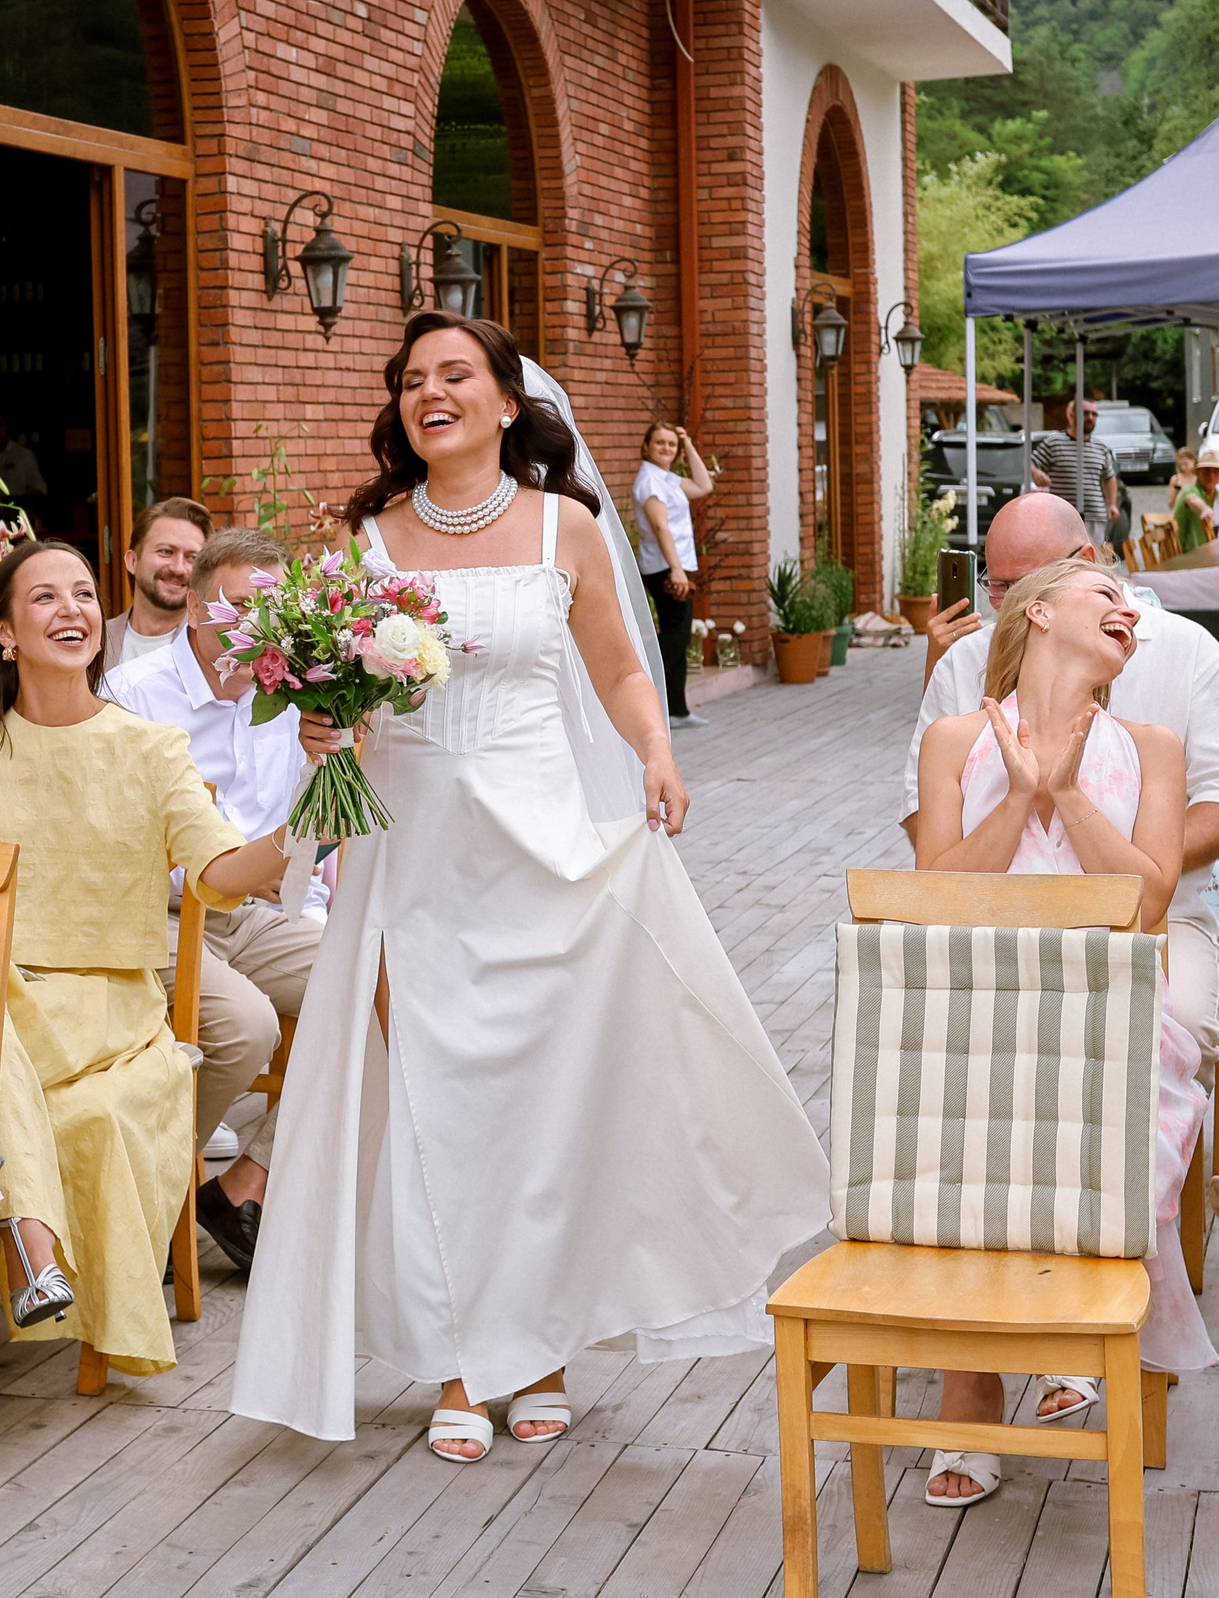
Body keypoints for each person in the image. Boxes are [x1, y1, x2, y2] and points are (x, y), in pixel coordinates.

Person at [231, 312, 826, 1463]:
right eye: (411, 380)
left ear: (508, 401)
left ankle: (542, 1349)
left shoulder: (567, 525)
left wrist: (655, 750)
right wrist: (321, 718)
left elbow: (613, 661)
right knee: (435, 1106)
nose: (429, 392)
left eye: (455, 375)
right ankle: (465, 1358)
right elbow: (338, 691)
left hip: (547, 845)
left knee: (545, 1107)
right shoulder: (370, 539)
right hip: (413, 852)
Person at [0, 537, 291, 1441]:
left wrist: (313, 818)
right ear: (3, 631)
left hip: (107, 1003)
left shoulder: (151, 746)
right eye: (44, 598)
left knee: (14, 1075)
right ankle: (25, 1249)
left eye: (81, 595)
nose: (69, 611)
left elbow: (220, 869)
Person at [911, 558, 1216, 1506]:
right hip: (980, 997)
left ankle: (1050, 1335)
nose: (1131, 612)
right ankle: (996, 1369)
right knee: (974, 1102)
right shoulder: (955, 737)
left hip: (1109, 1000)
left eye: (1133, 607)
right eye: (1105, 597)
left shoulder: (1154, 746)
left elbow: (1149, 902)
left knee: (1111, 1086)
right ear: (1038, 613)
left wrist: (1070, 791)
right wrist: (1016, 794)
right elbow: (938, 902)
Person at [906, 492, 1219, 1078]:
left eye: (1026, 582)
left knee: (1170, 1024)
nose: (1006, 603)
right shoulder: (958, 684)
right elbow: (935, 870)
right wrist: (1019, 800)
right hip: (988, 937)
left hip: (1132, 938)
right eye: (997, 585)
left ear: (1091, 560)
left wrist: (1094, 825)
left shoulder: (1179, 666)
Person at [100, 525, 325, 1271]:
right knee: (249, 1027)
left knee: (378, 983)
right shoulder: (135, 693)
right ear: (194, 608)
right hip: (158, 912)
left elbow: (308, 822)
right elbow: (120, 842)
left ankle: (243, 1180)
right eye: (233, 610)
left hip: (260, 911)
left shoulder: (289, 693)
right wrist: (230, 869)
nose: (250, 631)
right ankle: (148, 1192)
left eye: (267, 615)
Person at [631, 420, 715, 730]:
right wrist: (677, 570)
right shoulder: (650, 482)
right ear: (647, 447)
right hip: (665, 568)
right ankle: (638, 701)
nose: (666, 448)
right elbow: (660, 526)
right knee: (676, 639)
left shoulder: (667, 479)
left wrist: (689, 444)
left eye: (671, 444)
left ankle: (677, 710)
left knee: (677, 638)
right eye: (660, 443)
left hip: (677, 565)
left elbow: (704, 486)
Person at [102, 497, 213, 668]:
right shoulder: (97, 642)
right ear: (132, 561)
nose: (178, 568)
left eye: (192, 558)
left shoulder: (213, 649)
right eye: (166, 552)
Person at [1029, 400, 1118, 550]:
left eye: (1094, 414)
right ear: (1071, 415)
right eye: (1085, 413)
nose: (1090, 418)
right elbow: (1030, 462)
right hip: (1062, 516)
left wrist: (1112, 504)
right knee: (1065, 557)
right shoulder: (1054, 442)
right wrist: (1036, 472)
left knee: (1093, 558)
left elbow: (1109, 477)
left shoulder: (1100, 447)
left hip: (1094, 516)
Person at [1169, 449, 1219, 550]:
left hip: (1206, 553)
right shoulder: (1189, 489)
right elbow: (1192, 499)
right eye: (1207, 471)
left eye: (1216, 472)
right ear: (1198, 473)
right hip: (1186, 556)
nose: (1211, 475)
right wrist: (1205, 509)